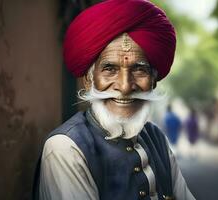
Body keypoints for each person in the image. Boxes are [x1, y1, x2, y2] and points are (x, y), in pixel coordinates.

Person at [33, 0, 196, 200]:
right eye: (110, 69)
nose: (125, 86)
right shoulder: (65, 148)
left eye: (139, 69)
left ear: (153, 81)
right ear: (89, 80)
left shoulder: (156, 137)